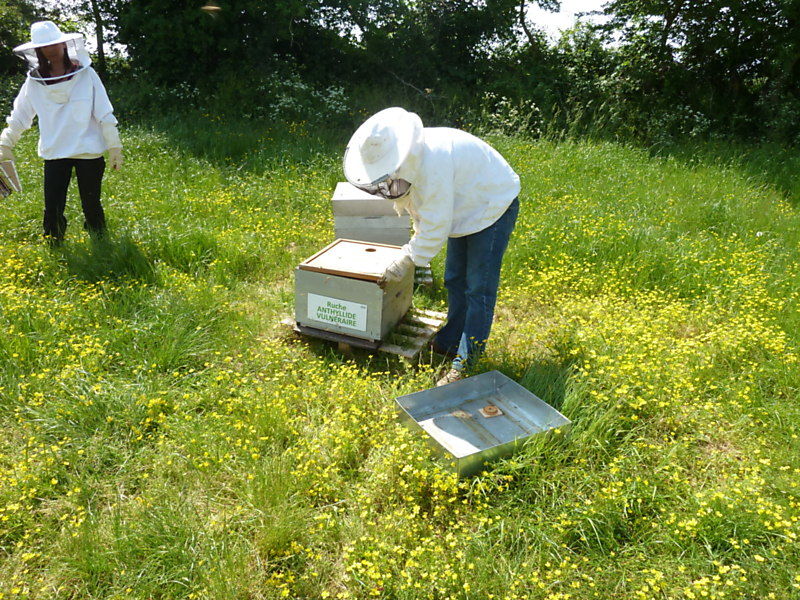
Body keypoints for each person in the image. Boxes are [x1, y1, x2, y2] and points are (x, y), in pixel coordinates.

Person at [343, 107, 520, 386]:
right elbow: (424, 213)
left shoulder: (433, 165)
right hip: (463, 202)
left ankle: (466, 361)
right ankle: (450, 341)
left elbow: (436, 224)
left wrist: (406, 260)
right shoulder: (411, 161)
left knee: (478, 288)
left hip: (491, 204)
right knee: (454, 278)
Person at [0, 21, 123, 245]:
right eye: (45, 46)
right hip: (55, 152)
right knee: (53, 205)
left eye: (55, 44)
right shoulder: (34, 82)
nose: (51, 50)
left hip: (89, 151)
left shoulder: (87, 75)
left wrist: (115, 146)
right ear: (38, 50)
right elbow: (20, 115)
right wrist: (5, 144)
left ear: (65, 45)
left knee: (91, 203)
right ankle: (54, 244)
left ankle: (101, 242)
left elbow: (104, 112)